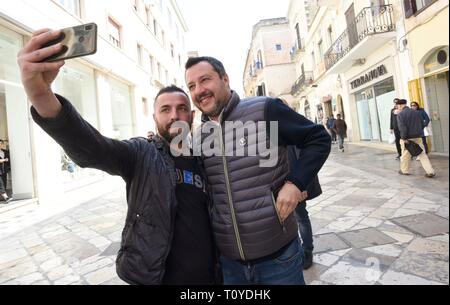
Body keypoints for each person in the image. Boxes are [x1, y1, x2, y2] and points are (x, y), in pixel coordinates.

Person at [17, 29, 218, 285]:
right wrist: (40, 94)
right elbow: (93, 148)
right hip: (155, 278)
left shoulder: (205, 159)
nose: (174, 116)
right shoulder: (141, 154)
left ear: (191, 116)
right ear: (154, 118)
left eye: (181, 109)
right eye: (165, 109)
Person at [185, 56, 331, 285]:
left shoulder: (264, 110)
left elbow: (318, 138)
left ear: (225, 79)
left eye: (205, 80)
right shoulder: (199, 136)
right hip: (230, 264)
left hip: (279, 258)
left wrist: (295, 183)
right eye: (192, 86)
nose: (199, 90)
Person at [396, 99, 436, 178]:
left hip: (407, 138)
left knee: (405, 154)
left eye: (397, 106)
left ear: (400, 105)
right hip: (418, 136)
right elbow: (422, 123)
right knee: (422, 154)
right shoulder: (416, 112)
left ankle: (404, 170)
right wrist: (418, 131)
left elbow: (402, 128)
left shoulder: (400, 114)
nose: (398, 108)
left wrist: (404, 138)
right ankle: (430, 171)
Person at [0, 140, 12, 204]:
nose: (0, 145)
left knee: (4, 183)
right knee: (1, 184)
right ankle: (6, 197)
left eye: (1, 144)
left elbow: (9, 160)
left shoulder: (5, 151)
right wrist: (4, 159)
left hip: (4, 170)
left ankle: (3, 198)